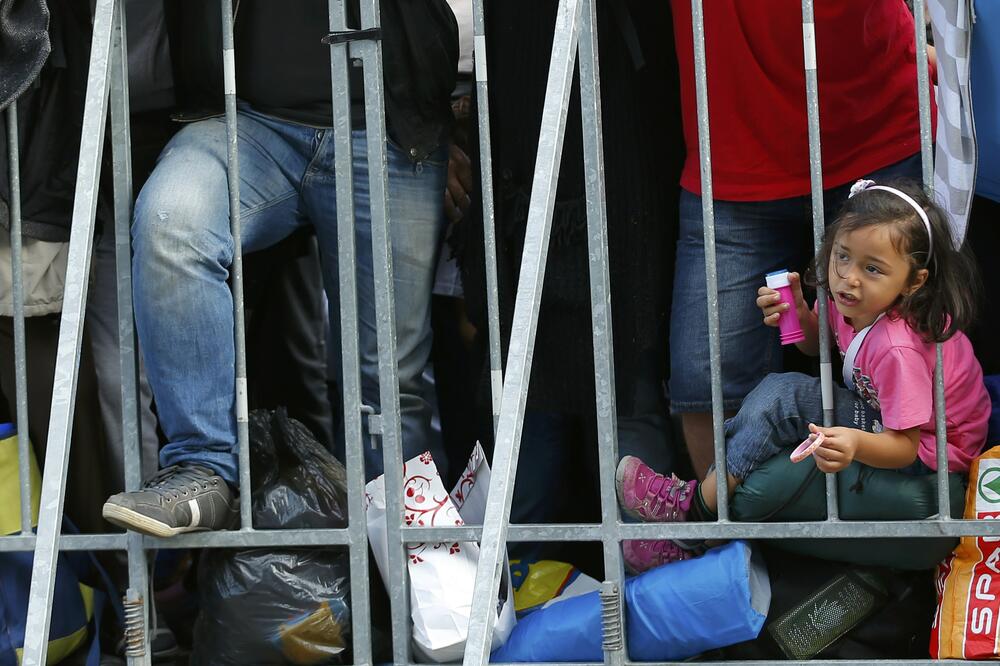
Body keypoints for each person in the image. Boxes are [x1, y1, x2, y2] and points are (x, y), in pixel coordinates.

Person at [102, 0, 459, 537]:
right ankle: (203, 466)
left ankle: (408, 578)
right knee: (172, 219)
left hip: (389, 126)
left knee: (389, 381)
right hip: (247, 120)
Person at [615, 179, 989, 572]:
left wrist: (856, 444)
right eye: (843, 256)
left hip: (935, 450)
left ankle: (691, 515)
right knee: (777, 399)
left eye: (873, 268)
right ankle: (695, 525)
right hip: (894, 417)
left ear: (914, 282)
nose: (850, 277)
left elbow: (906, 446)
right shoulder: (850, 296)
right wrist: (796, 312)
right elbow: (816, 345)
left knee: (782, 396)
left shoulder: (898, 348)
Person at [667, 0, 933, 477]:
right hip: (733, 155)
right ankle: (726, 537)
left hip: (877, 132)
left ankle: (911, 536)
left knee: (915, 352)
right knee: (705, 377)